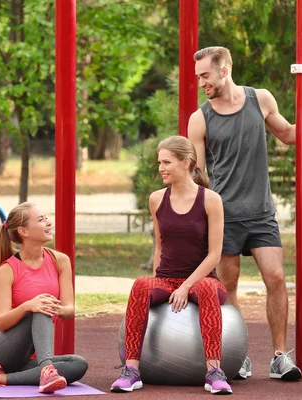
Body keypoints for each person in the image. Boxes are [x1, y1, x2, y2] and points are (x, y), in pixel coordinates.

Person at [187, 46, 302, 381]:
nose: (201, 82)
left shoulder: (260, 99)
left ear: (224, 69)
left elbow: (289, 135)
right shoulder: (200, 118)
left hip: (261, 212)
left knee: (275, 278)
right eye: (198, 77)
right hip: (225, 215)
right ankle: (238, 355)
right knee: (228, 285)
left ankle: (279, 356)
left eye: (205, 75)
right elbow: (197, 174)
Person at [110, 136, 231, 395]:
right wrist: (157, 285)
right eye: (159, 162)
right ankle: (131, 370)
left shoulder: (210, 200)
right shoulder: (156, 199)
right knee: (141, 285)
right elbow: (159, 247)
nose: (161, 168)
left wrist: (186, 286)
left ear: (186, 162)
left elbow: (214, 254)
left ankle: (214, 372)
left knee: (208, 289)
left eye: (167, 162)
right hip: (167, 278)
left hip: (203, 280)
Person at [0, 202, 88, 394]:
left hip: (31, 357)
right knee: (40, 305)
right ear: (23, 231)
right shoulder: (8, 269)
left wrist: (58, 309)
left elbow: (69, 309)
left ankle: (1, 378)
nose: (48, 223)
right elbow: (1, 322)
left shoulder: (61, 260)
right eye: (41, 220)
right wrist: (28, 306)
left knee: (78, 364)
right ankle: (46, 370)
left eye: (46, 218)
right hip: (4, 349)